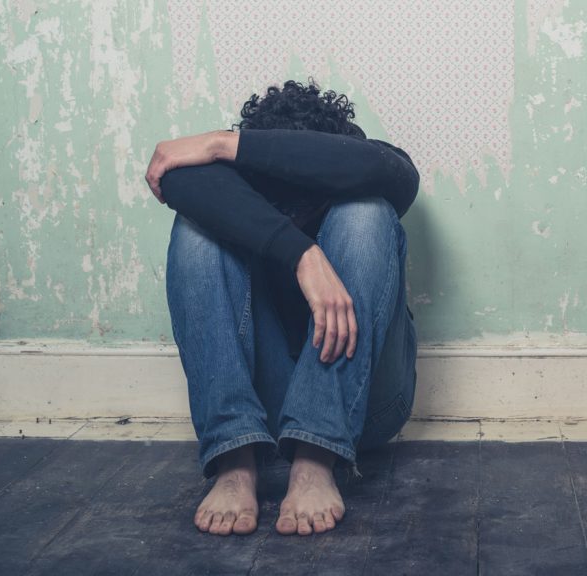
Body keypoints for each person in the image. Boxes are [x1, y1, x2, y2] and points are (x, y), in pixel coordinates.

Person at [143, 79, 420, 536]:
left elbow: (392, 170)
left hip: (369, 401)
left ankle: (316, 457)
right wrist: (301, 253)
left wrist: (217, 142)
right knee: (197, 228)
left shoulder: (364, 174)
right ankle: (234, 458)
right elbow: (176, 177)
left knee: (368, 213)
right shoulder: (236, 189)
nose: (293, 210)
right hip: (266, 409)